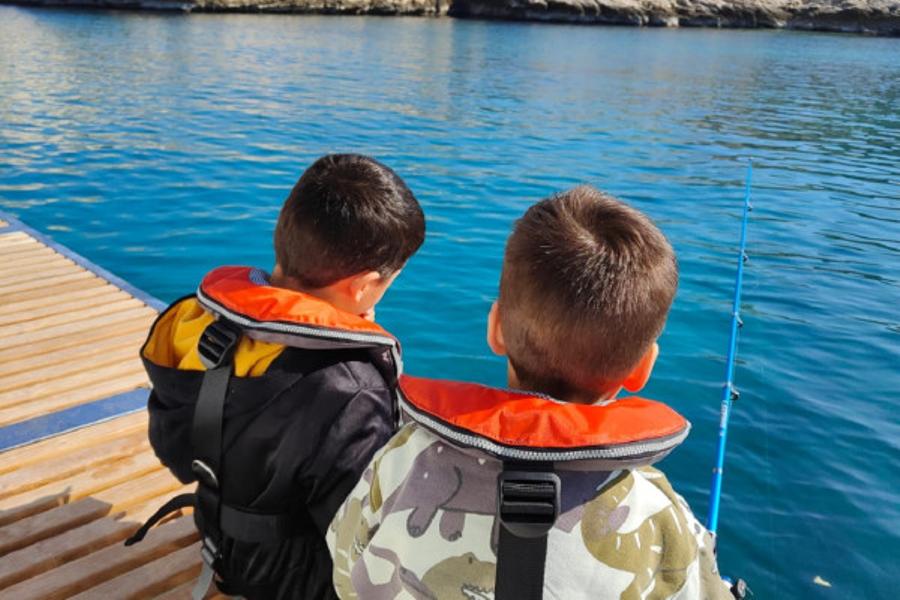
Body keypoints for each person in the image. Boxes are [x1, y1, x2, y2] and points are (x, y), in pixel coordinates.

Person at [327, 185, 734, 599]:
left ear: (495, 328)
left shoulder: (404, 456)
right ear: (642, 368)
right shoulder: (659, 511)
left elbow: (344, 565)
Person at [129, 154, 425, 600]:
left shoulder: (200, 327)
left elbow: (173, 451)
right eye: (388, 281)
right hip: (287, 580)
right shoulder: (351, 389)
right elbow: (361, 536)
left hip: (218, 535)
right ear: (363, 286)